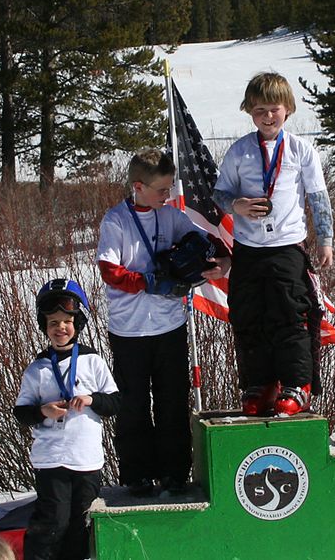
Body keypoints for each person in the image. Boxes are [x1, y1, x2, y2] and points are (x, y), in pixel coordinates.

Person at [96, 148, 230, 497]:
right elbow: (110, 271)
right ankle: (137, 475)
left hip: (170, 325)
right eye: (161, 190)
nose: (167, 195)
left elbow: (211, 241)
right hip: (130, 330)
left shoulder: (171, 215)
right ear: (138, 186)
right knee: (134, 403)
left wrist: (219, 261)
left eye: (170, 188)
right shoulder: (116, 220)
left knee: (172, 400)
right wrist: (149, 282)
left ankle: (174, 472)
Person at [213, 71, 334, 417]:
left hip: (286, 248)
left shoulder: (300, 149)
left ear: (288, 110)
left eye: (274, 110)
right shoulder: (239, 151)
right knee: (249, 315)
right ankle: (259, 383)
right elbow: (220, 194)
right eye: (260, 110)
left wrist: (324, 240)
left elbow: (319, 198)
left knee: (290, 316)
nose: (267, 117)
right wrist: (236, 206)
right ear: (249, 111)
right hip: (248, 249)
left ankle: (298, 384)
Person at [13, 279, 120, 560]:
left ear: (77, 323)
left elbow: (115, 402)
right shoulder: (37, 369)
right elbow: (21, 412)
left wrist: (91, 399)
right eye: (53, 323)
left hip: (86, 459)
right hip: (51, 459)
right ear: (45, 327)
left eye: (66, 322)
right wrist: (42, 411)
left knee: (80, 525)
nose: (60, 328)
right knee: (52, 522)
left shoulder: (93, 361)